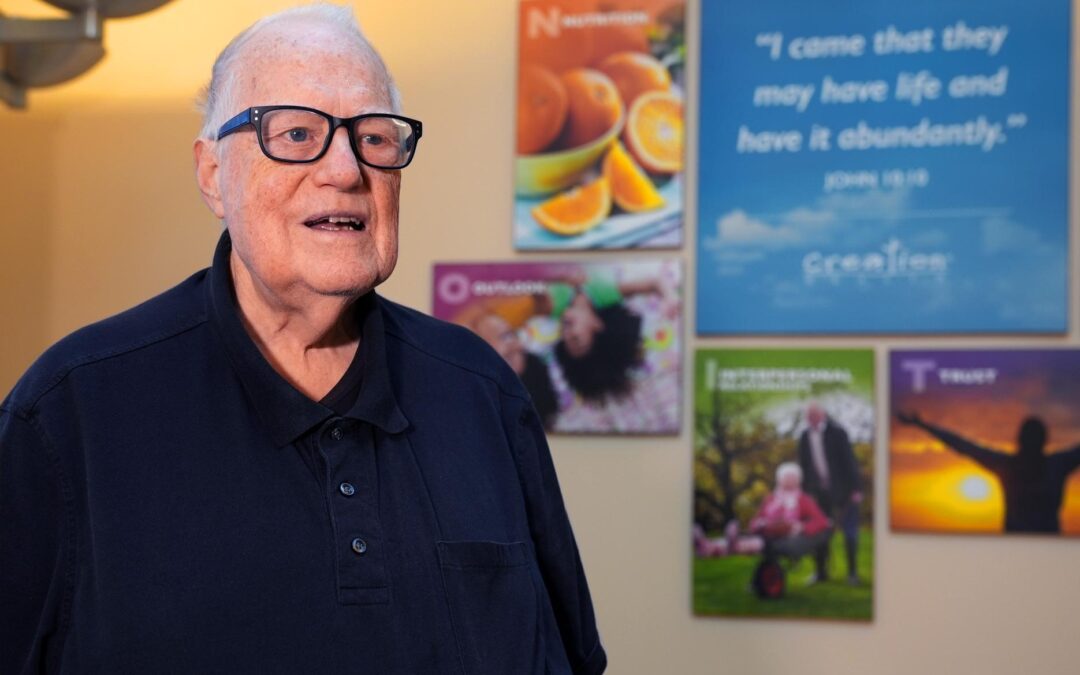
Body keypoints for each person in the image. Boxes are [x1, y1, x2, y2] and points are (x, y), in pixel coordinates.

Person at [0, 6, 606, 674]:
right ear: (212, 175)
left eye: (375, 138)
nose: (345, 170)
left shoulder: (481, 392)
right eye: (295, 132)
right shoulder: (70, 411)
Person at [897, 411, 1080, 533]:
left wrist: (921, 425)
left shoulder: (1013, 465)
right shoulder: (1056, 465)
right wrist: (922, 425)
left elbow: (963, 445)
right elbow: (962, 444)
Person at [693, 463, 831, 560]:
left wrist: (800, 527)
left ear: (798, 480)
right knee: (753, 538)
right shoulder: (771, 499)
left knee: (758, 543)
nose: (788, 481)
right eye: (785, 478)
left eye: (791, 478)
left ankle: (712, 548)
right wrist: (759, 524)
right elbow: (756, 520)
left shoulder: (803, 499)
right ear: (779, 480)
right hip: (766, 531)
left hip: (785, 536)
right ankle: (710, 546)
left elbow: (822, 521)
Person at [797, 402, 862, 585]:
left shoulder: (837, 433)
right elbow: (804, 466)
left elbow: (850, 461)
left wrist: (856, 490)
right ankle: (820, 573)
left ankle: (852, 574)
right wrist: (805, 493)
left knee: (850, 533)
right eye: (808, 416)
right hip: (819, 493)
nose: (810, 419)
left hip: (845, 491)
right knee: (820, 532)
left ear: (822, 415)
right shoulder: (804, 436)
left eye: (814, 415)